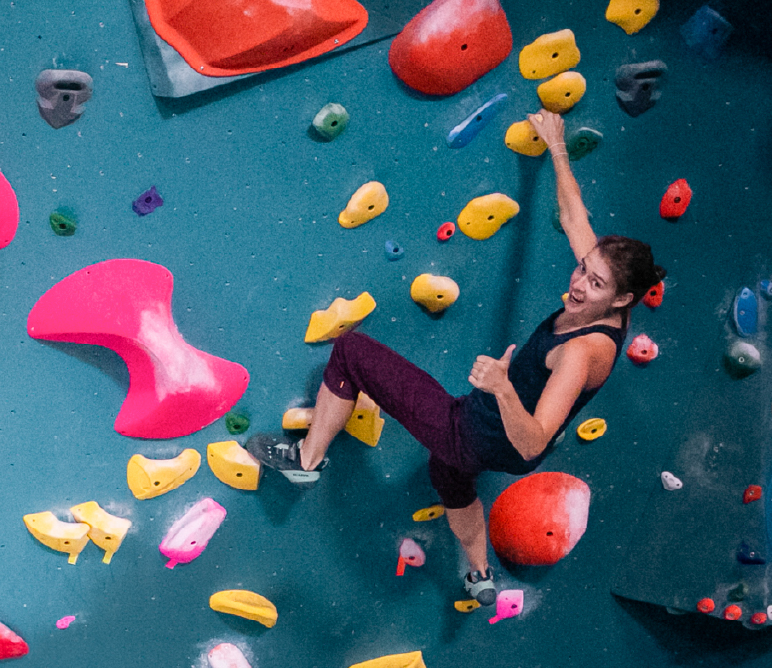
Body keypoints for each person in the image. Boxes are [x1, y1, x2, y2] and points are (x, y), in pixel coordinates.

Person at [246, 109, 665, 606]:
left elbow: (533, 443)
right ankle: (480, 575)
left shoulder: (581, 351)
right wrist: (555, 145)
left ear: (621, 301)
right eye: (582, 269)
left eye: (595, 284)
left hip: (485, 431)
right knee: (448, 475)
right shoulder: (607, 298)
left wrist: (502, 386)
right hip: (492, 440)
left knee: (352, 351)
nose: (577, 285)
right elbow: (575, 217)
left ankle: (306, 459)